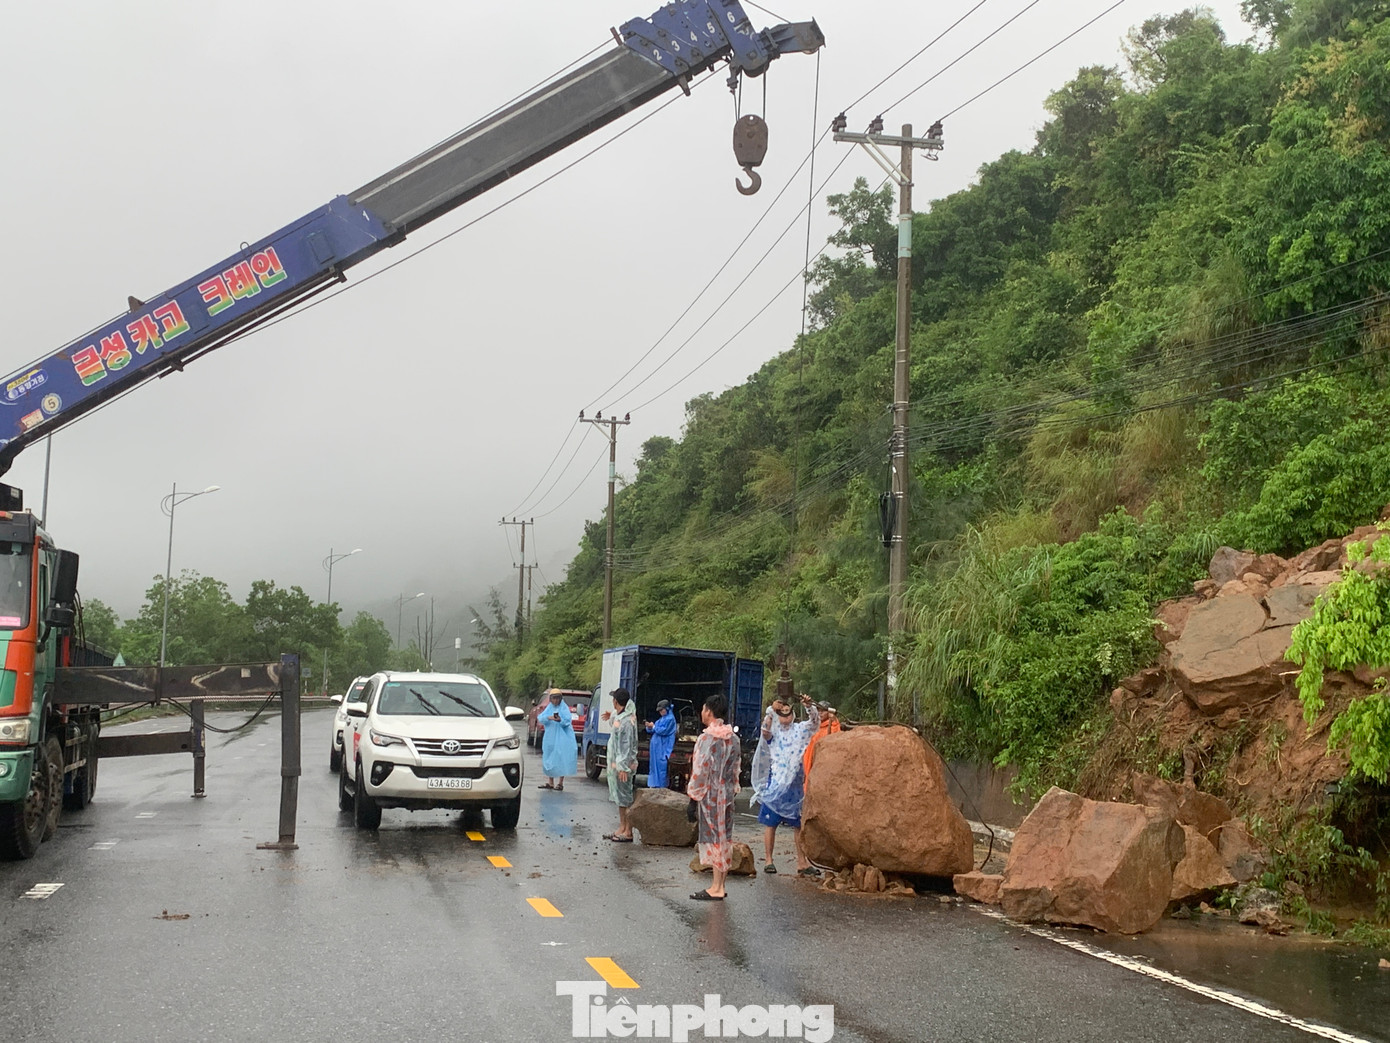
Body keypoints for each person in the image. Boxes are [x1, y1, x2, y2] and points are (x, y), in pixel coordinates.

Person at [752, 693, 819, 876]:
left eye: (788, 713)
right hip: (777, 782)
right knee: (770, 823)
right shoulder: (774, 732)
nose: (785, 717)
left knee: (798, 824)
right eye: (782, 714)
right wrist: (771, 711)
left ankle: (802, 862)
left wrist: (808, 706)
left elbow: (814, 723)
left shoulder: (800, 730)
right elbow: (764, 731)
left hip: (795, 785)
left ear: (793, 714)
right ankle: (768, 860)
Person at [686, 693, 741, 900]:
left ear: (708, 711)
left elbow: (700, 771)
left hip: (710, 796)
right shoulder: (733, 739)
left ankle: (716, 888)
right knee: (725, 837)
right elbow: (736, 769)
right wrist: (732, 788)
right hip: (726, 796)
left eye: (703, 709)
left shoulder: (707, 739)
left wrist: (693, 798)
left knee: (714, 838)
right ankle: (720, 884)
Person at [602, 688, 638, 842]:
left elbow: (626, 746)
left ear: (615, 701)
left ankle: (628, 830)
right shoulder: (620, 716)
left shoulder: (627, 722)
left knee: (625, 796)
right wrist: (611, 715)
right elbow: (614, 722)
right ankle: (622, 826)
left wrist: (623, 767)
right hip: (616, 763)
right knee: (619, 796)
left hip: (623, 765)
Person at [536, 690, 577, 791]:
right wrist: (549, 718)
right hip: (550, 738)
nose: (555, 700)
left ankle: (560, 783)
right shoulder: (549, 708)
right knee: (549, 757)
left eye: (557, 698)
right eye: (553, 698)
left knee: (561, 758)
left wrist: (560, 720)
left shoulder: (564, 708)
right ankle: (550, 782)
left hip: (562, 738)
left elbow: (567, 721)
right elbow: (541, 718)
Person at [644, 699, 676, 789]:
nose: (661, 712)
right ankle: (653, 784)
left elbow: (663, 730)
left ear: (667, 709)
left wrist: (653, 726)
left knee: (662, 766)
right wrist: (649, 727)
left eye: (662, 710)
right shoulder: (662, 719)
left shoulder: (670, 719)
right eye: (659, 711)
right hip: (656, 748)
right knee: (654, 766)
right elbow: (654, 729)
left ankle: (661, 786)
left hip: (663, 747)